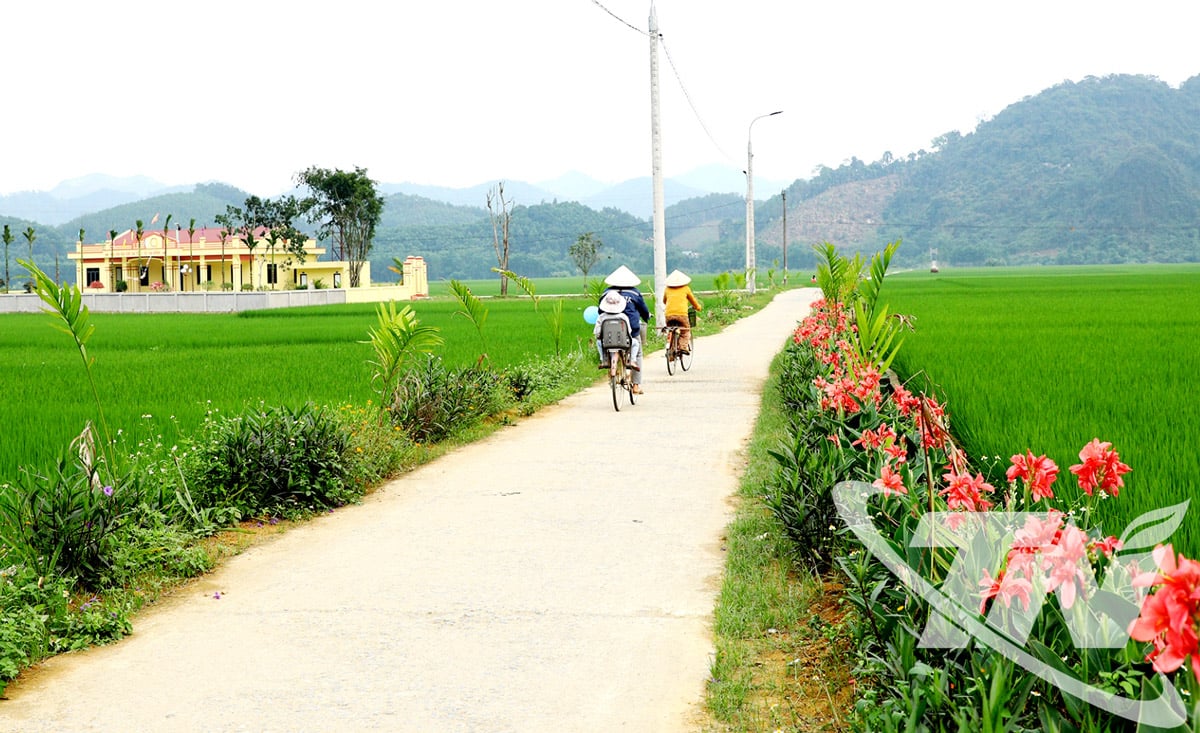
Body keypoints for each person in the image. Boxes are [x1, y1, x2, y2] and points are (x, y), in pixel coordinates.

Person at [597, 264, 650, 393]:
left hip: (608, 333)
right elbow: (643, 310)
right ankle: (636, 385)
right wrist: (646, 317)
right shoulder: (635, 293)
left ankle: (606, 360)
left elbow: (600, 311)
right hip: (630, 330)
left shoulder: (606, 293)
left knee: (605, 343)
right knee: (638, 352)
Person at [662, 269, 702, 353]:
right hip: (682, 315)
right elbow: (693, 301)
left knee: (670, 329)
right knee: (685, 331)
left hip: (669, 315)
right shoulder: (686, 288)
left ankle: (670, 348)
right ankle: (683, 347)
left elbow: (664, 301)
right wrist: (698, 307)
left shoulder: (667, 289)